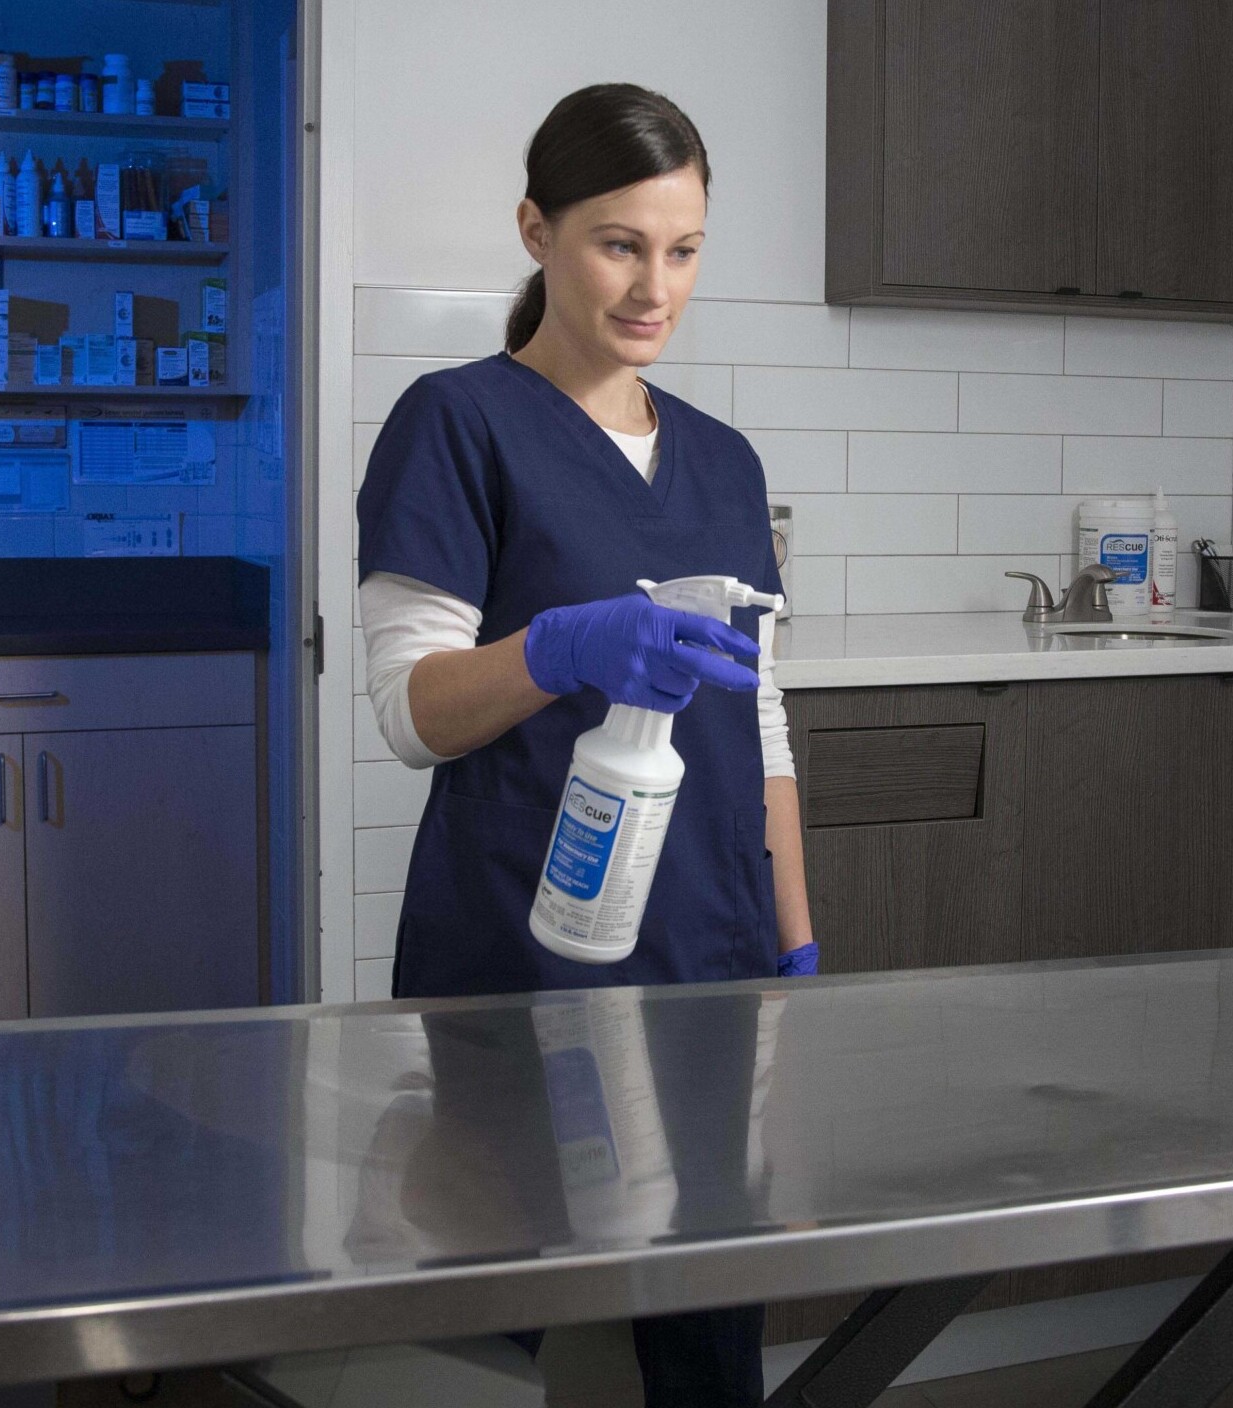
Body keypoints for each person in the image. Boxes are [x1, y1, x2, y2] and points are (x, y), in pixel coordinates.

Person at [355, 82, 817, 1406]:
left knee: (709, 1303)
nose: (651, 287)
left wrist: (790, 936)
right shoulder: (458, 424)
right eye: (618, 243)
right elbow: (409, 712)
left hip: (714, 940)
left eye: (681, 251)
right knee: (552, 1280)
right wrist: (559, 648)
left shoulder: (724, 462)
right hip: (532, 941)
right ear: (535, 230)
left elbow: (760, 716)